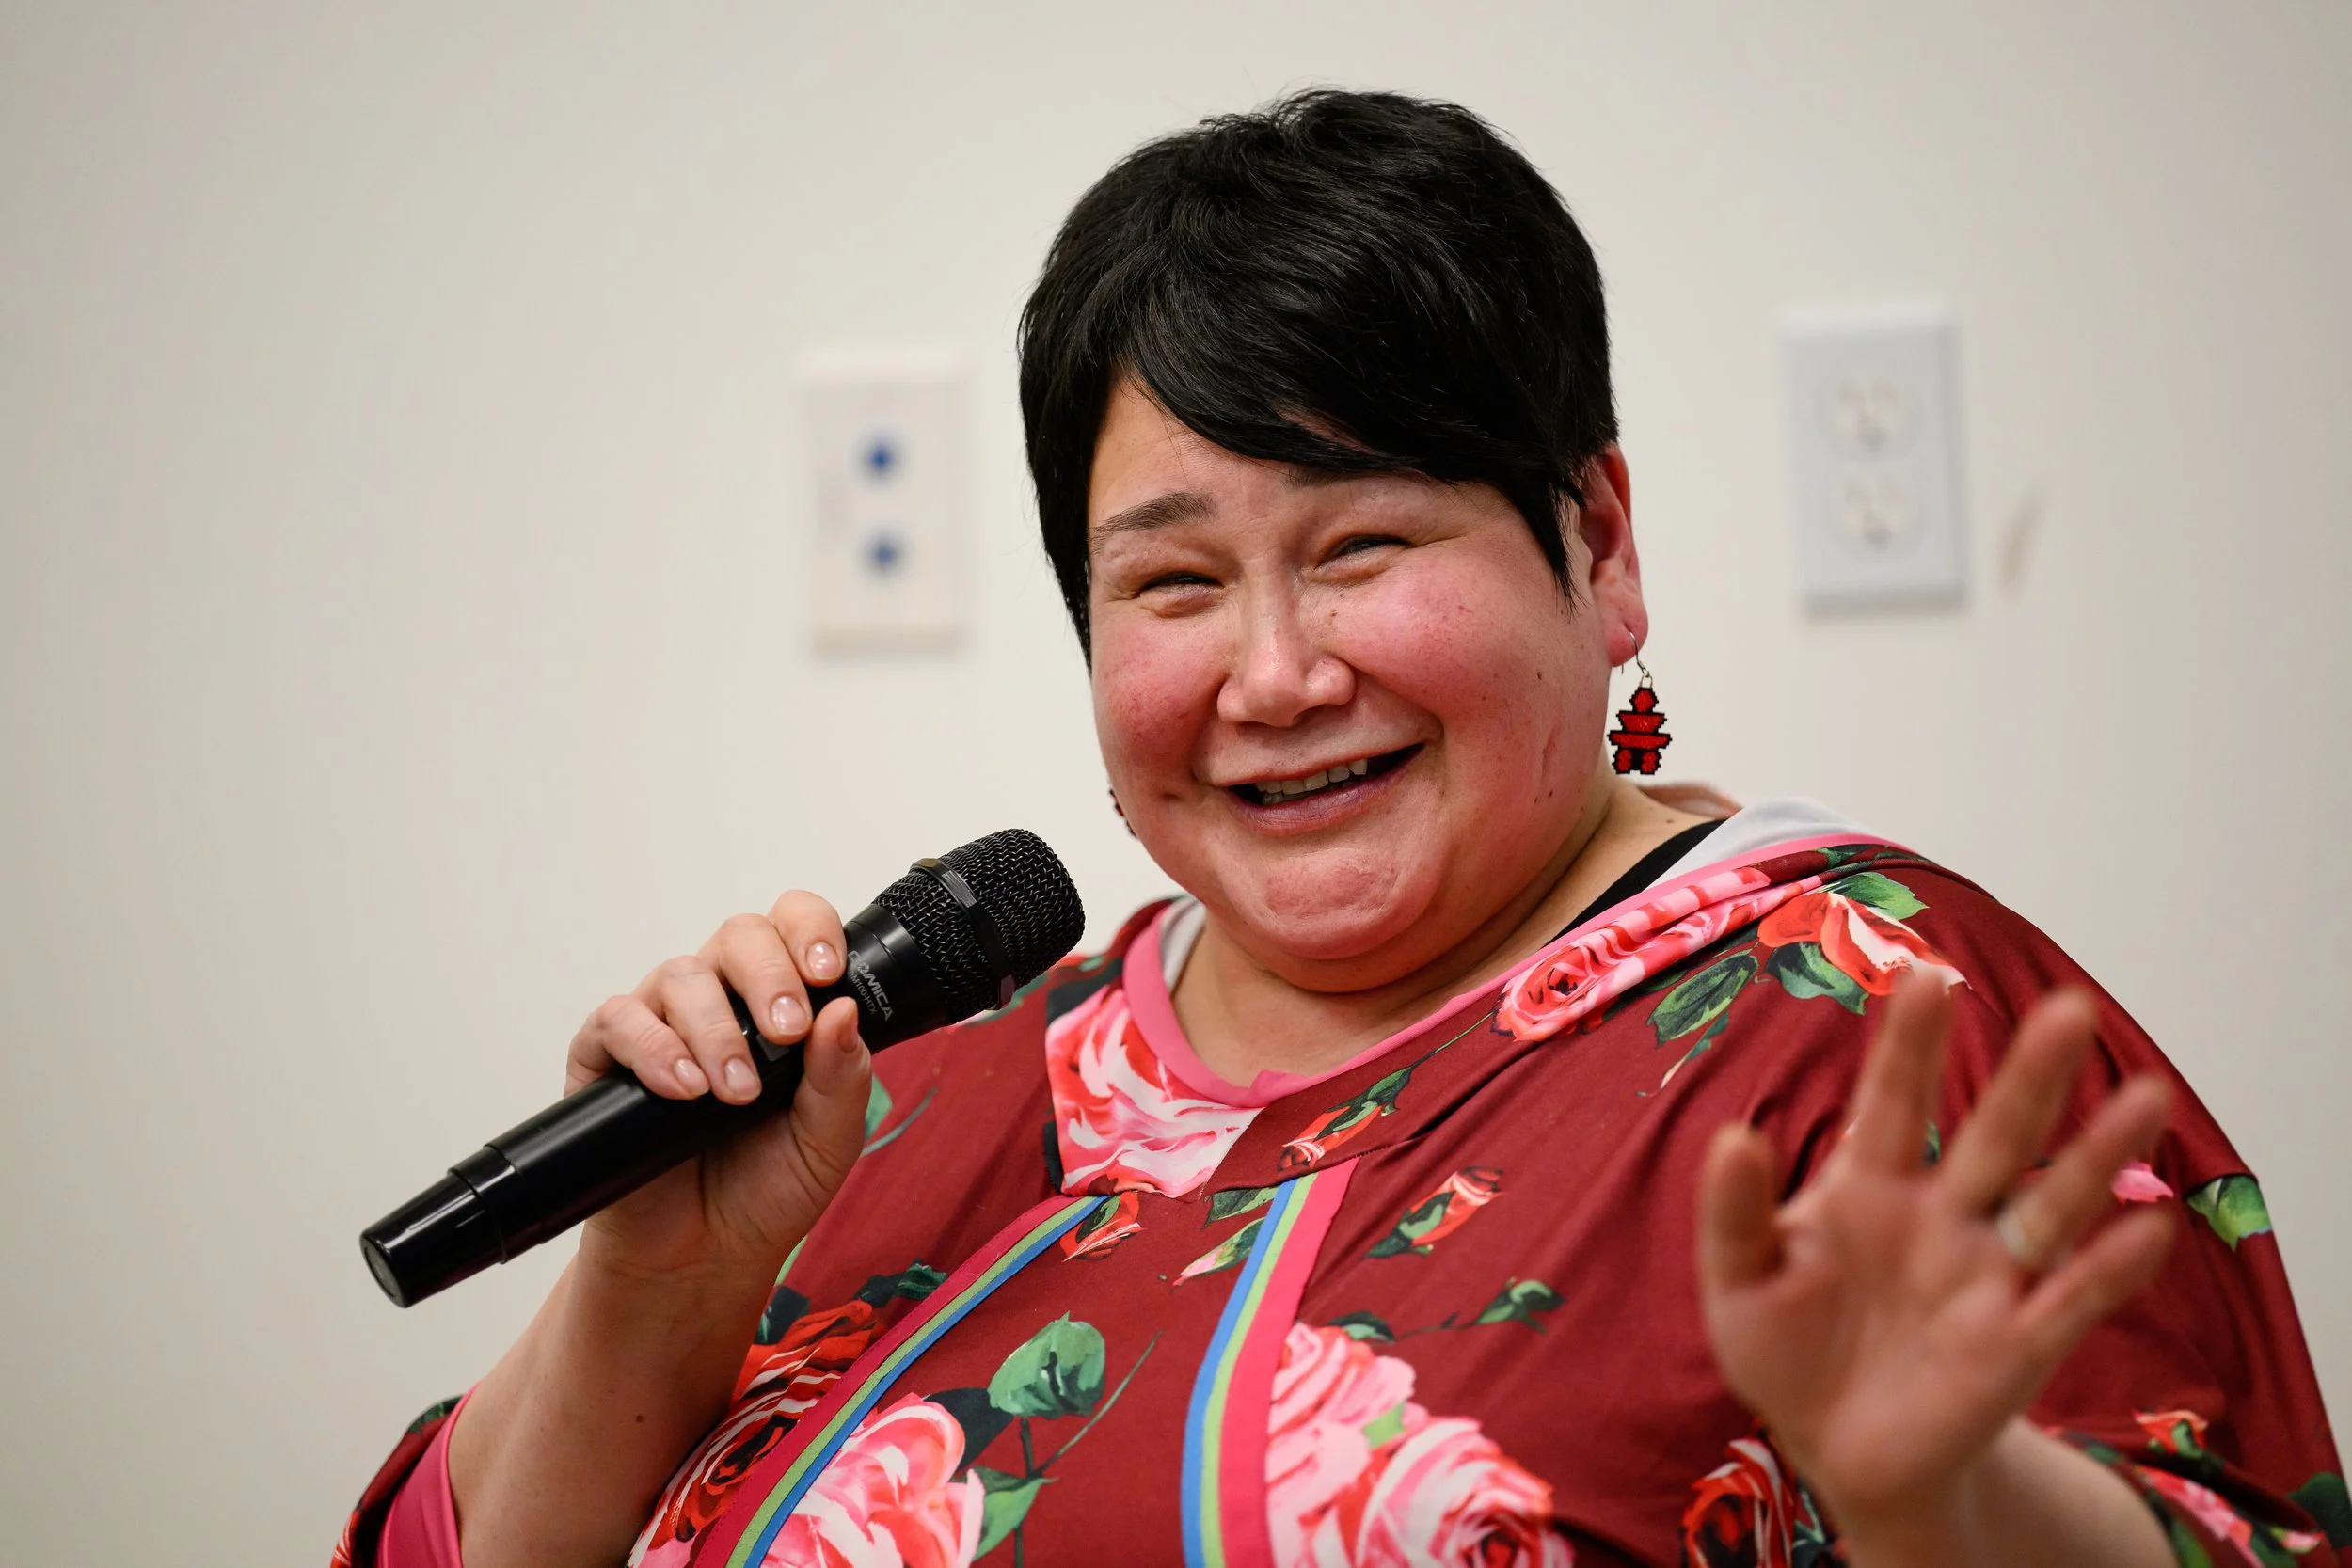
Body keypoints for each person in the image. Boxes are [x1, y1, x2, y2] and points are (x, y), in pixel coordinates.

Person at [337, 90, 2346, 1568]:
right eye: (1175, 584)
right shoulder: (910, 1088)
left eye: (1365, 543)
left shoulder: (1866, 1017)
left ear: (1600, 544)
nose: (1274, 671)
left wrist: (1945, 1499)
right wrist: (655, 1287)